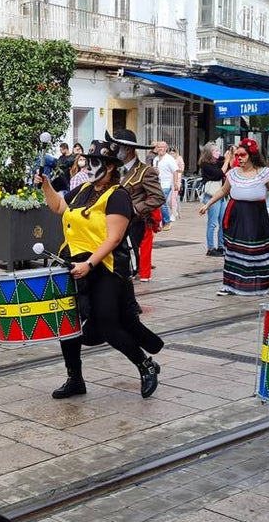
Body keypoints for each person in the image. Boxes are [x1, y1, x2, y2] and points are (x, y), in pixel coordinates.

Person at [38, 140, 163, 399]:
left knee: (108, 325)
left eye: (95, 162)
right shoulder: (82, 189)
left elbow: (114, 238)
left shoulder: (118, 195)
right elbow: (59, 207)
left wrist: (89, 264)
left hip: (104, 268)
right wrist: (47, 186)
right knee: (68, 324)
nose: (89, 166)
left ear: (109, 167)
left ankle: (145, 365)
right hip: (72, 263)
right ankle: (75, 379)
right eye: (87, 161)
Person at [198, 138, 269, 296]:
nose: (239, 157)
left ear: (252, 155)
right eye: (237, 155)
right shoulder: (233, 173)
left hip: (256, 217)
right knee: (233, 251)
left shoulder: (265, 173)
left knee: (264, 250)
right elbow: (223, 191)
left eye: (242, 154)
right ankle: (230, 285)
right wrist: (208, 204)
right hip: (235, 215)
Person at [112, 129, 164, 282]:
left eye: (117, 147)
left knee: (127, 266)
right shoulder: (113, 169)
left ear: (127, 149)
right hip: (112, 223)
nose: (113, 150)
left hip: (133, 225)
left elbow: (158, 197)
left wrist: (135, 209)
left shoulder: (145, 171)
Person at [199, 143, 227, 256]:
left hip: (221, 195)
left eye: (218, 150)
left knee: (223, 222)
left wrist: (229, 155)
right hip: (211, 195)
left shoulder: (218, 162)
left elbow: (225, 161)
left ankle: (221, 246)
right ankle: (210, 248)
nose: (218, 153)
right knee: (213, 223)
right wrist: (226, 161)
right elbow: (219, 174)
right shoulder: (205, 164)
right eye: (215, 151)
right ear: (209, 153)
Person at [153, 141, 178, 225]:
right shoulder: (155, 159)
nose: (160, 149)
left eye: (162, 147)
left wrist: (176, 183)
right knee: (158, 203)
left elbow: (175, 171)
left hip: (166, 184)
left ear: (166, 148)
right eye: (159, 147)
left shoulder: (169, 159)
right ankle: (160, 222)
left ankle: (167, 221)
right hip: (157, 184)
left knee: (162, 203)